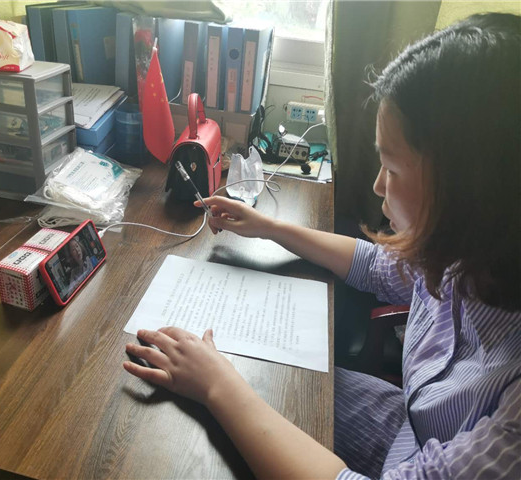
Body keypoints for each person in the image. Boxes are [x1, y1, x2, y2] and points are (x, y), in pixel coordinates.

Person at [124, 13, 520, 479]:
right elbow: (379, 266)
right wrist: (268, 227)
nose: (377, 186)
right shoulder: (469, 251)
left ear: (470, 189)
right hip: (406, 425)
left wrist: (217, 385)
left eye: (392, 169)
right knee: (263, 377)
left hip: (416, 455)